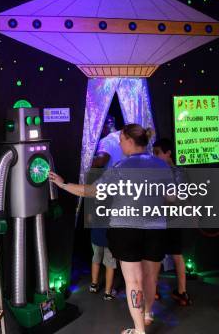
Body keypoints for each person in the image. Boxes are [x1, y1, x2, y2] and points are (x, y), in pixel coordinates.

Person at [49, 124, 171, 334]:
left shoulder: (120, 167)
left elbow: (92, 191)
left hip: (126, 229)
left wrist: (63, 185)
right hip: (155, 228)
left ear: (129, 141)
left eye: (121, 140)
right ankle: (148, 314)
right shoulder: (161, 166)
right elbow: (171, 198)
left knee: (134, 281)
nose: (119, 144)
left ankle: (140, 330)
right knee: (151, 277)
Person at [153, 138, 193, 306]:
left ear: (168, 153)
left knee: (156, 256)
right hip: (173, 217)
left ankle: (155, 291)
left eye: (157, 153)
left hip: (166, 218)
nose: (155, 156)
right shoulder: (180, 171)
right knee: (173, 255)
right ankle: (181, 292)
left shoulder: (160, 171)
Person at [89, 115, 123, 300]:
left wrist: (87, 160)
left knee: (97, 255)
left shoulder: (106, 142)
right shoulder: (122, 138)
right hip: (116, 217)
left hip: (100, 222)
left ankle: (94, 284)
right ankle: (109, 292)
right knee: (111, 259)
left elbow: (101, 160)